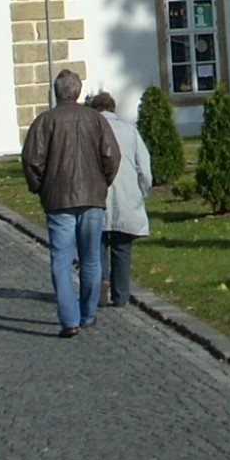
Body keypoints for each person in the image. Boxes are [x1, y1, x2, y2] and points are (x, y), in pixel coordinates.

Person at [20, 69, 120, 338]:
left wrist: (40, 187)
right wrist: (102, 183)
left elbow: (32, 160)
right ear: (77, 91)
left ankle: (69, 319)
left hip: (59, 199)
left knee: (61, 261)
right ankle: (88, 314)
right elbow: (111, 156)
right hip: (92, 197)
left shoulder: (45, 121)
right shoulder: (95, 119)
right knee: (91, 259)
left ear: (56, 92)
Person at [87, 91, 154, 308]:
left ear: (94, 111)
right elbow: (144, 169)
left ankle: (102, 281)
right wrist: (141, 192)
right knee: (122, 248)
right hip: (126, 198)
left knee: (96, 245)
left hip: (96, 197)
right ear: (113, 109)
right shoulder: (130, 132)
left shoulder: (89, 133)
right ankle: (121, 295)